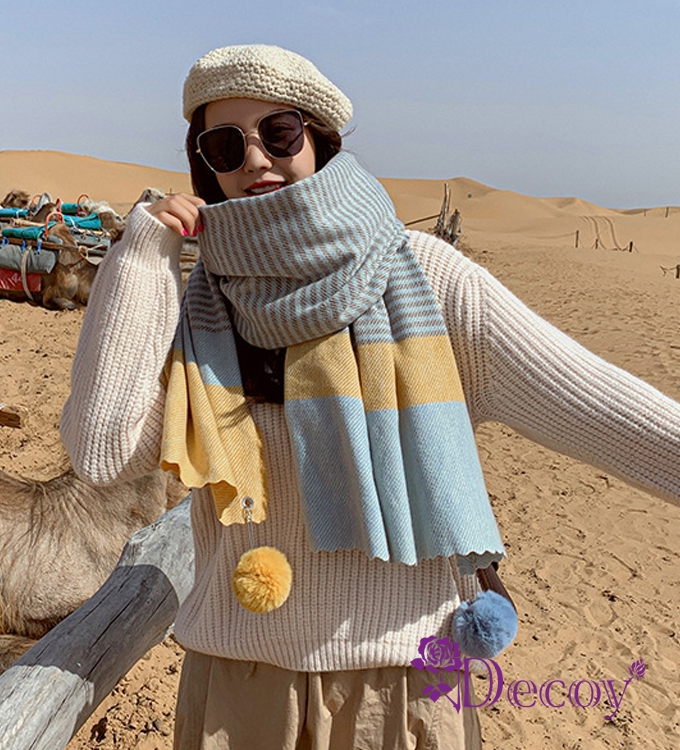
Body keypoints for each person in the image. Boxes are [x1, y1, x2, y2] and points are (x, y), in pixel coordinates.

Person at [60, 44, 680, 750]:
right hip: (239, 688)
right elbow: (104, 452)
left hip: (401, 687)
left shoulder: (429, 280)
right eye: (226, 145)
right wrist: (143, 253)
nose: (256, 159)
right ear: (206, 164)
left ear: (319, 137)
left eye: (279, 132)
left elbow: (602, 411)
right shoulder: (202, 306)